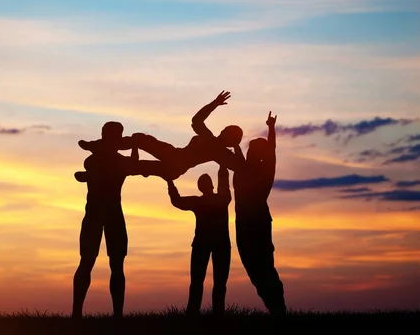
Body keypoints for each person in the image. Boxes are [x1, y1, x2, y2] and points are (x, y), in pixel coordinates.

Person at [72, 121, 150, 319]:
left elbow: (130, 164)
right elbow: (131, 164)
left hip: (103, 214)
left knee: (108, 264)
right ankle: (84, 314)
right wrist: (132, 146)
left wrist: (131, 147)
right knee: (93, 262)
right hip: (104, 214)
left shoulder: (95, 160)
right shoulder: (101, 160)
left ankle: (101, 315)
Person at [75, 91, 244, 181]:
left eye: (227, 133)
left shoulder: (221, 153)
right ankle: (98, 147)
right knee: (140, 140)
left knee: (138, 165)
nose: (222, 132)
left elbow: (241, 167)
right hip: (174, 155)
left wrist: (238, 146)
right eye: (224, 130)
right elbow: (196, 121)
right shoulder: (210, 138)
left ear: (230, 140)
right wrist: (214, 104)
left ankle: (93, 175)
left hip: (175, 166)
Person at [233, 111, 287, 316]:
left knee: (263, 267)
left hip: (256, 223)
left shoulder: (263, 172)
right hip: (244, 223)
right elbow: (237, 150)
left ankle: (278, 309)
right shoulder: (242, 168)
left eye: (252, 150)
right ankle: (275, 308)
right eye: (249, 149)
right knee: (255, 269)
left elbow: (272, 151)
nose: (249, 152)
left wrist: (271, 128)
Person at [165, 164, 232, 317]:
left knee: (212, 283)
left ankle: (205, 314)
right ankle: (199, 313)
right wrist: (169, 182)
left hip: (214, 244)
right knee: (202, 282)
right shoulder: (219, 199)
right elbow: (177, 201)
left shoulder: (217, 200)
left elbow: (177, 201)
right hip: (209, 244)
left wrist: (169, 181)